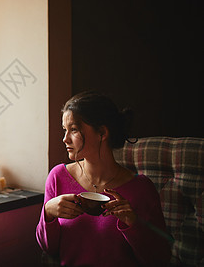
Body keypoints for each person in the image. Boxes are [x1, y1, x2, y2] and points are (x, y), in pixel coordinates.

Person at [36, 91, 171, 267]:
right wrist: (48, 213)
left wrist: (133, 223)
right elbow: (48, 248)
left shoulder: (141, 188)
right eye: (64, 130)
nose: (64, 138)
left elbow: (160, 259)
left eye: (74, 130)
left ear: (102, 133)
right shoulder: (57, 177)